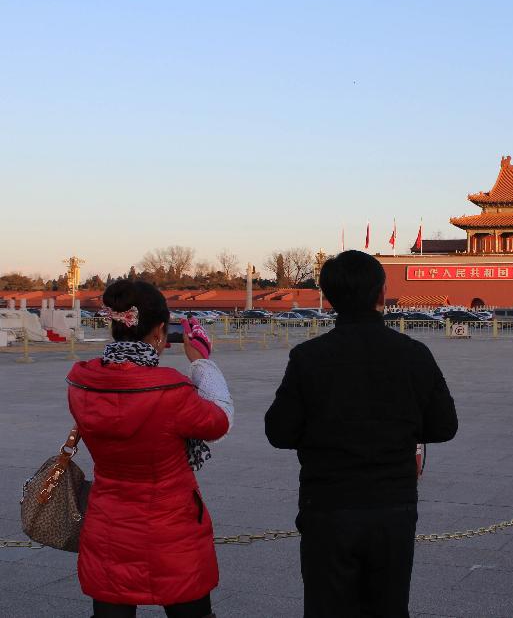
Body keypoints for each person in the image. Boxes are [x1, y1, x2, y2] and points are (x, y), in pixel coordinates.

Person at [265, 250, 458, 618]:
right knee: (388, 607)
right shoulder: (414, 354)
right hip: (392, 507)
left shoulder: (308, 357)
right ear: (381, 294)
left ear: (328, 297)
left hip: (328, 507)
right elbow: (445, 426)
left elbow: (279, 431)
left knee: (327, 607)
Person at [67, 280, 233, 618]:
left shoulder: (82, 383)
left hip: (108, 524)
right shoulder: (171, 390)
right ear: (160, 330)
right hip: (172, 529)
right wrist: (202, 363)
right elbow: (219, 421)